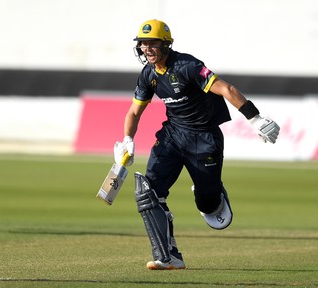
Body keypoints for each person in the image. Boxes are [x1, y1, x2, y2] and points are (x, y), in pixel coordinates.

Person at [114, 19, 280, 270]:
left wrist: (254, 117)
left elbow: (226, 88)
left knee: (208, 204)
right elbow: (134, 112)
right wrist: (127, 139)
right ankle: (168, 256)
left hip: (204, 138)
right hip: (172, 137)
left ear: (166, 44)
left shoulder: (187, 65)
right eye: (143, 44)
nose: (146, 48)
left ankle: (213, 195)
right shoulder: (148, 74)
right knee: (149, 191)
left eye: (152, 43)